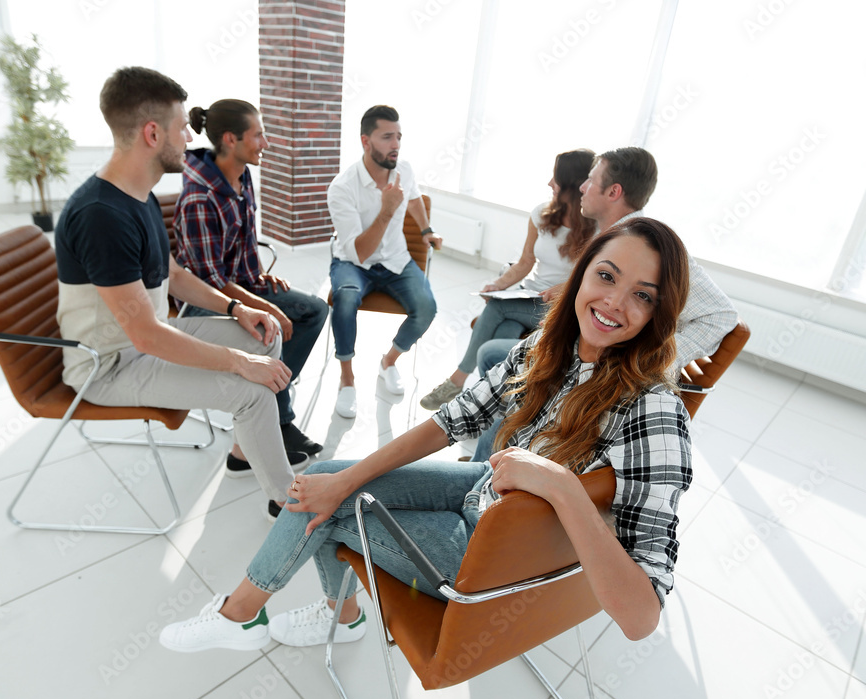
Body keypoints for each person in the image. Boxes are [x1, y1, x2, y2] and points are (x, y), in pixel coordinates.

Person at [159, 217, 693, 654]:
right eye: (606, 276)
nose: (615, 303)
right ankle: (334, 618)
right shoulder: (548, 350)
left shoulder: (654, 412)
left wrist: (561, 485)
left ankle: (243, 615)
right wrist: (350, 476)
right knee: (328, 479)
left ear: (660, 313)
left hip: (497, 556)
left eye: (642, 295)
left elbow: (641, 616)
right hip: (487, 490)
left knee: (327, 509)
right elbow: (450, 421)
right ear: (580, 277)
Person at [54, 67, 307, 523]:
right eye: (181, 128)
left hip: (148, 336)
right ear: (153, 134)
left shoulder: (139, 195)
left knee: (265, 335)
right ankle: (290, 505)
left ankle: (243, 453)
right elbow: (146, 337)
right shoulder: (100, 216)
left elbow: (171, 274)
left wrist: (237, 308)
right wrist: (236, 361)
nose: (191, 137)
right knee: (247, 389)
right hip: (110, 364)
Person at [463, 147, 738, 462]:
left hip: (607, 371)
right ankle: (490, 457)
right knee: (502, 353)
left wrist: (649, 360)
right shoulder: (612, 235)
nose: (582, 187)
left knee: (500, 358)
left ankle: (487, 466)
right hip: (588, 354)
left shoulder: (649, 246)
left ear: (614, 192)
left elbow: (721, 316)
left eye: (590, 181)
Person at [173, 99, 328, 459]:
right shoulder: (200, 198)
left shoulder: (241, 175)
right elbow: (210, 280)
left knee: (315, 310)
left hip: (239, 284)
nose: (266, 143)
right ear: (230, 139)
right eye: (258, 135)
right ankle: (274, 420)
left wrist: (260, 278)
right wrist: (263, 305)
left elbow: (243, 243)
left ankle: (267, 403)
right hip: (204, 303)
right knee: (274, 325)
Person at [420, 149, 597, 410]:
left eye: (556, 178)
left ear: (573, 184)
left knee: (497, 307)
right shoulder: (541, 214)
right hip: (528, 296)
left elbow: (590, 281)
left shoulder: (597, 229)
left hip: (559, 307)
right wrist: (497, 285)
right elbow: (526, 262)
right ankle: (488, 404)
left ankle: (457, 381)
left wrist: (562, 290)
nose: (549, 183)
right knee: (498, 338)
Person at [326, 105, 443, 419]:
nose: (396, 144)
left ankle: (388, 361)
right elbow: (360, 253)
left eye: (399, 137)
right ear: (366, 141)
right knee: (346, 298)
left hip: (396, 260)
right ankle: (347, 379)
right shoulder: (341, 188)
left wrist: (427, 230)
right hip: (354, 263)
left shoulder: (404, 168)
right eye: (387, 137)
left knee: (427, 308)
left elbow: (415, 198)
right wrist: (388, 209)